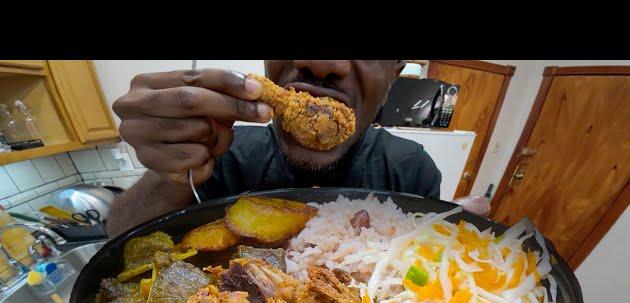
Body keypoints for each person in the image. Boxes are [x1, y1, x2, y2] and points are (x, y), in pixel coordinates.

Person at [107, 60, 443, 237]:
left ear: (392, 81)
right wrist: (170, 175)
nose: (323, 63)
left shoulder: (411, 169)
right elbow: (118, 236)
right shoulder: (223, 151)